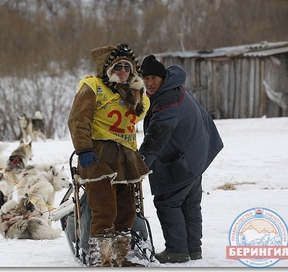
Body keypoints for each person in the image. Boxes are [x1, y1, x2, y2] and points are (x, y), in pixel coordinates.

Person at [67, 44, 151, 267]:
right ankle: (102, 261)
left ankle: (121, 258)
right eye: (118, 66)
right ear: (108, 68)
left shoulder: (134, 93)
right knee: (104, 211)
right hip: (99, 157)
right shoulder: (93, 87)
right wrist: (84, 149)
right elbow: (78, 120)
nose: (123, 70)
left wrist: (135, 90)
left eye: (127, 66)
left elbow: (139, 113)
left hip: (125, 158)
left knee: (126, 211)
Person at [138, 55, 224, 264]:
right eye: (146, 78)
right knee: (189, 204)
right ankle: (193, 250)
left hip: (184, 160)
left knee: (168, 202)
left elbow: (155, 138)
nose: (149, 83)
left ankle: (177, 251)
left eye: (154, 78)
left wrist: (138, 166)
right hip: (195, 156)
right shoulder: (173, 88)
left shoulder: (167, 101)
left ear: (162, 77)